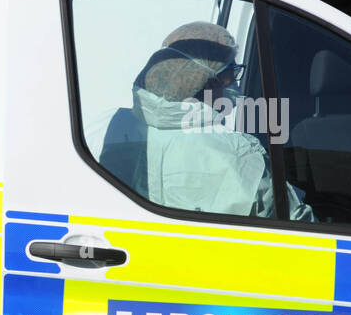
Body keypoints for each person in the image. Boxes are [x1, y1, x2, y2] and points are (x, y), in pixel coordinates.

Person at [123, 21, 313, 221]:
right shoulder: (239, 154)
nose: (235, 80)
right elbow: (302, 229)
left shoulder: (100, 133)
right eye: (232, 69)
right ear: (207, 79)